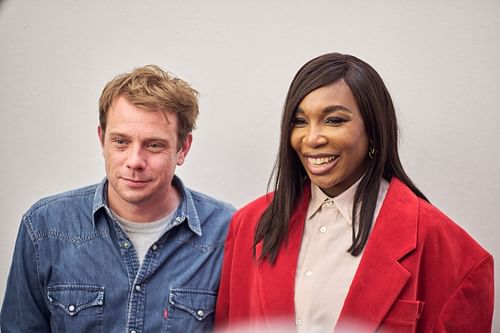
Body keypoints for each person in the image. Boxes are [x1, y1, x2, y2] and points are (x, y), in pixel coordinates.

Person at [215, 53, 494, 332]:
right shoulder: (249, 225)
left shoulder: (456, 256)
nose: (311, 138)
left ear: (373, 130)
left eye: (334, 120)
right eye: (299, 122)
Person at [0, 65, 235, 332]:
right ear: (102, 141)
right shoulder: (45, 227)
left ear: (183, 149)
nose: (135, 161)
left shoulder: (227, 232)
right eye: (121, 142)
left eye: (154, 145)